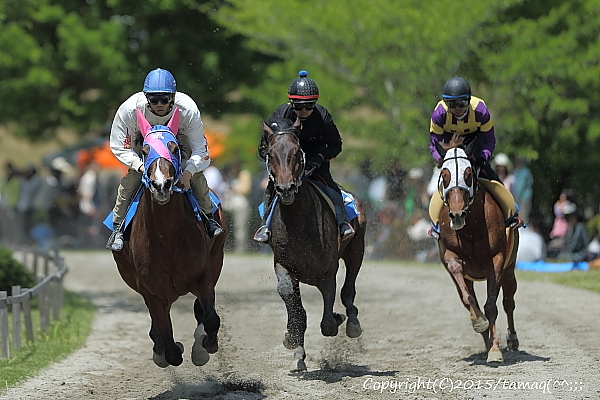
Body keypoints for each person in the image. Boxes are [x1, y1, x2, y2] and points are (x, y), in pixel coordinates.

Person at [106, 68, 223, 251]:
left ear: (173, 98)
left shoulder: (188, 109)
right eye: (154, 99)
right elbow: (119, 146)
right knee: (130, 182)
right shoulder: (129, 110)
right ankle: (118, 229)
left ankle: (209, 219)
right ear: (146, 98)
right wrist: (140, 166)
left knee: (197, 177)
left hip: (178, 142)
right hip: (143, 144)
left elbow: (201, 150)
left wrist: (188, 172)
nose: (159, 104)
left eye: (164, 99)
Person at [253, 70, 354, 242]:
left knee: (330, 186)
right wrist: (268, 156)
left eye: (309, 106)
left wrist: (320, 157)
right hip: (287, 162)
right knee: (272, 187)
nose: (304, 110)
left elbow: (336, 145)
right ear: (290, 102)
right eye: (299, 106)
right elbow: (265, 143)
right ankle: (265, 226)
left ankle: (342, 223)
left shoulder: (323, 117)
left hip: (315, 161)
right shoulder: (280, 115)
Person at [427, 76, 523, 239]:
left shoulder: (480, 110)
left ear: (468, 101)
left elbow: (489, 140)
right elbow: (434, 143)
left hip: (475, 143)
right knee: (444, 183)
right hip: (450, 147)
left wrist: (481, 159)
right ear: (446, 104)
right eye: (452, 104)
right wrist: (441, 159)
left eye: (462, 103)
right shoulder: (439, 114)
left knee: (491, 178)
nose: (457, 108)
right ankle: (436, 225)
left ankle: (511, 215)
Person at [511, 157, 534, 223]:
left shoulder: (525, 171)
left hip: (524, 196)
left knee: (523, 213)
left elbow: (525, 184)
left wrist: (518, 195)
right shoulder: (514, 171)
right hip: (515, 195)